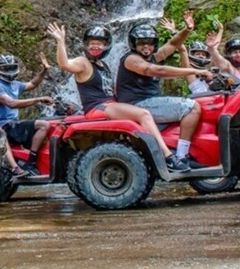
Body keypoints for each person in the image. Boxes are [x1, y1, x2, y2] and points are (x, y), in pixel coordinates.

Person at [46, 23, 181, 169]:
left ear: (106, 46)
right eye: (92, 43)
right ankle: (168, 157)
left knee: (144, 112)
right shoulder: (83, 62)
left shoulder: (104, 66)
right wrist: (60, 41)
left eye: (99, 44)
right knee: (144, 114)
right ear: (86, 45)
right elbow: (65, 64)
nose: (95, 47)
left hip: (109, 105)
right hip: (98, 107)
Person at [114, 11, 213, 171]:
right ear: (134, 44)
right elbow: (157, 71)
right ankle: (180, 156)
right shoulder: (131, 59)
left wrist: (187, 29)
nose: (146, 46)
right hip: (137, 105)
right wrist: (194, 72)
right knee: (192, 107)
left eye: (150, 42)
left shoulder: (152, 56)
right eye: (142, 42)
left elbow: (173, 44)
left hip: (148, 103)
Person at [0, 52, 54, 176]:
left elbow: (33, 84)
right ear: (0, 70)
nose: (10, 71)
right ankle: (23, 165)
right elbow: (11, 103)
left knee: (48, 124)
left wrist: (44, 70)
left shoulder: (15, 84)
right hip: (4, 126)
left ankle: (33, 161)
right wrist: (37, 100)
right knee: (43, 124)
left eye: (12, 67)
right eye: (6, 68)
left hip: (15, 124)